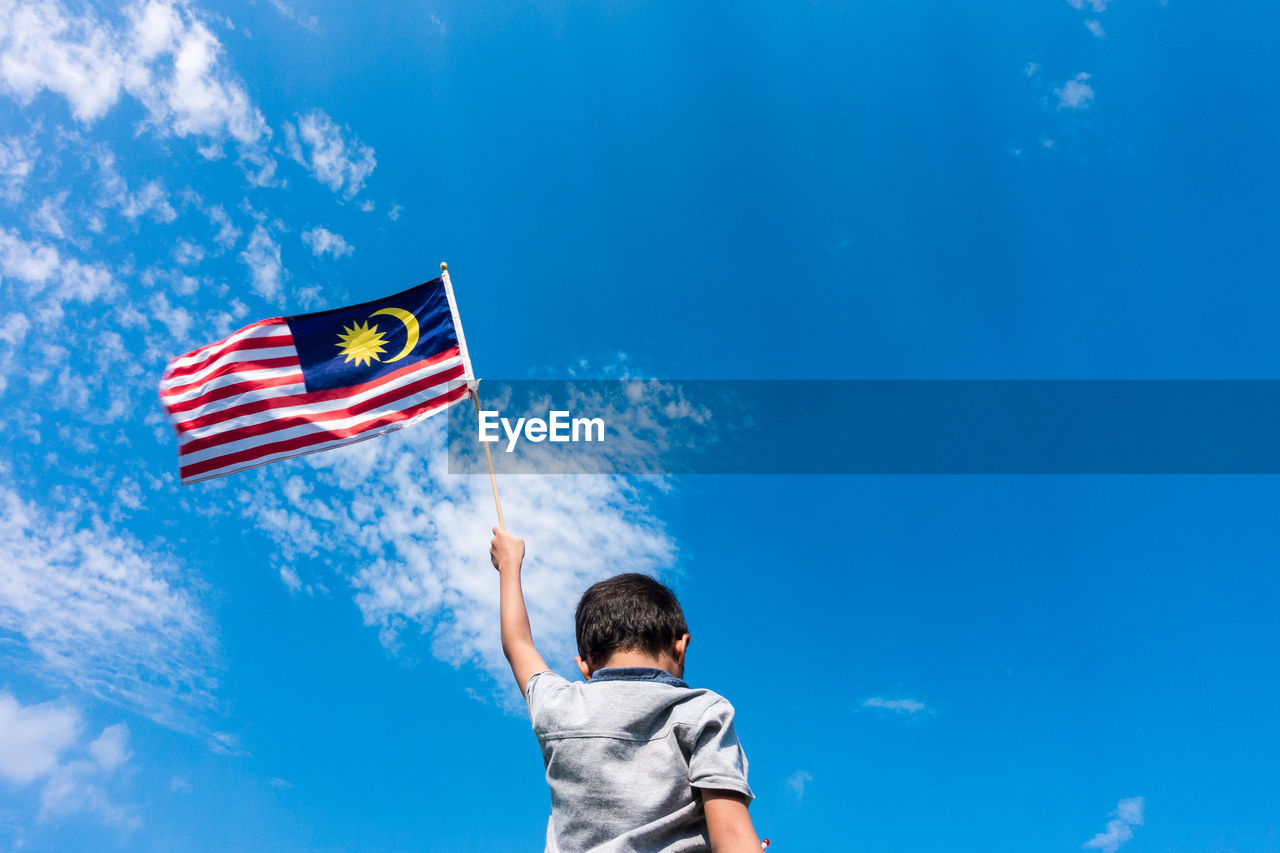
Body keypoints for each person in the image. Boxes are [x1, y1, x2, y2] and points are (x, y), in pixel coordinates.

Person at [491, 527, 762, 852]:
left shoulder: (559, 705)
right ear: (681, 646)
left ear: (585, 665)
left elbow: (518, 645)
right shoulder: (703, 711)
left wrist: (510, 566)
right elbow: (732, 837)